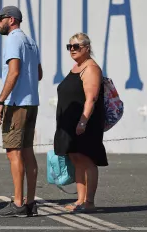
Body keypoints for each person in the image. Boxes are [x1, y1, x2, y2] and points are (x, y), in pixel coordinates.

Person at [0, 6, 43, 218]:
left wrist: (1, 101)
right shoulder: (31, 41)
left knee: (14, 152)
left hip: (16, 103)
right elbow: (38, 73)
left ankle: (18, 203)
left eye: (0, 19)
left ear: (11, 20)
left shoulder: (13, 39)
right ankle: (30, 203)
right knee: (28, 152)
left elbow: (14, 71)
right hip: (32, 102)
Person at [53, 33, 108, 213]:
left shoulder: (90, 68)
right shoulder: (77, 67)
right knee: (76, 159)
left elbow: (91, 99)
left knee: (87, 160)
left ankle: (89, 202)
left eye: (76, 46)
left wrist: (83, 121)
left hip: (85, 123)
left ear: (87, 48)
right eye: (70, 47)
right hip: (70, 124)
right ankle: (80, 200)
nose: (72, 50)